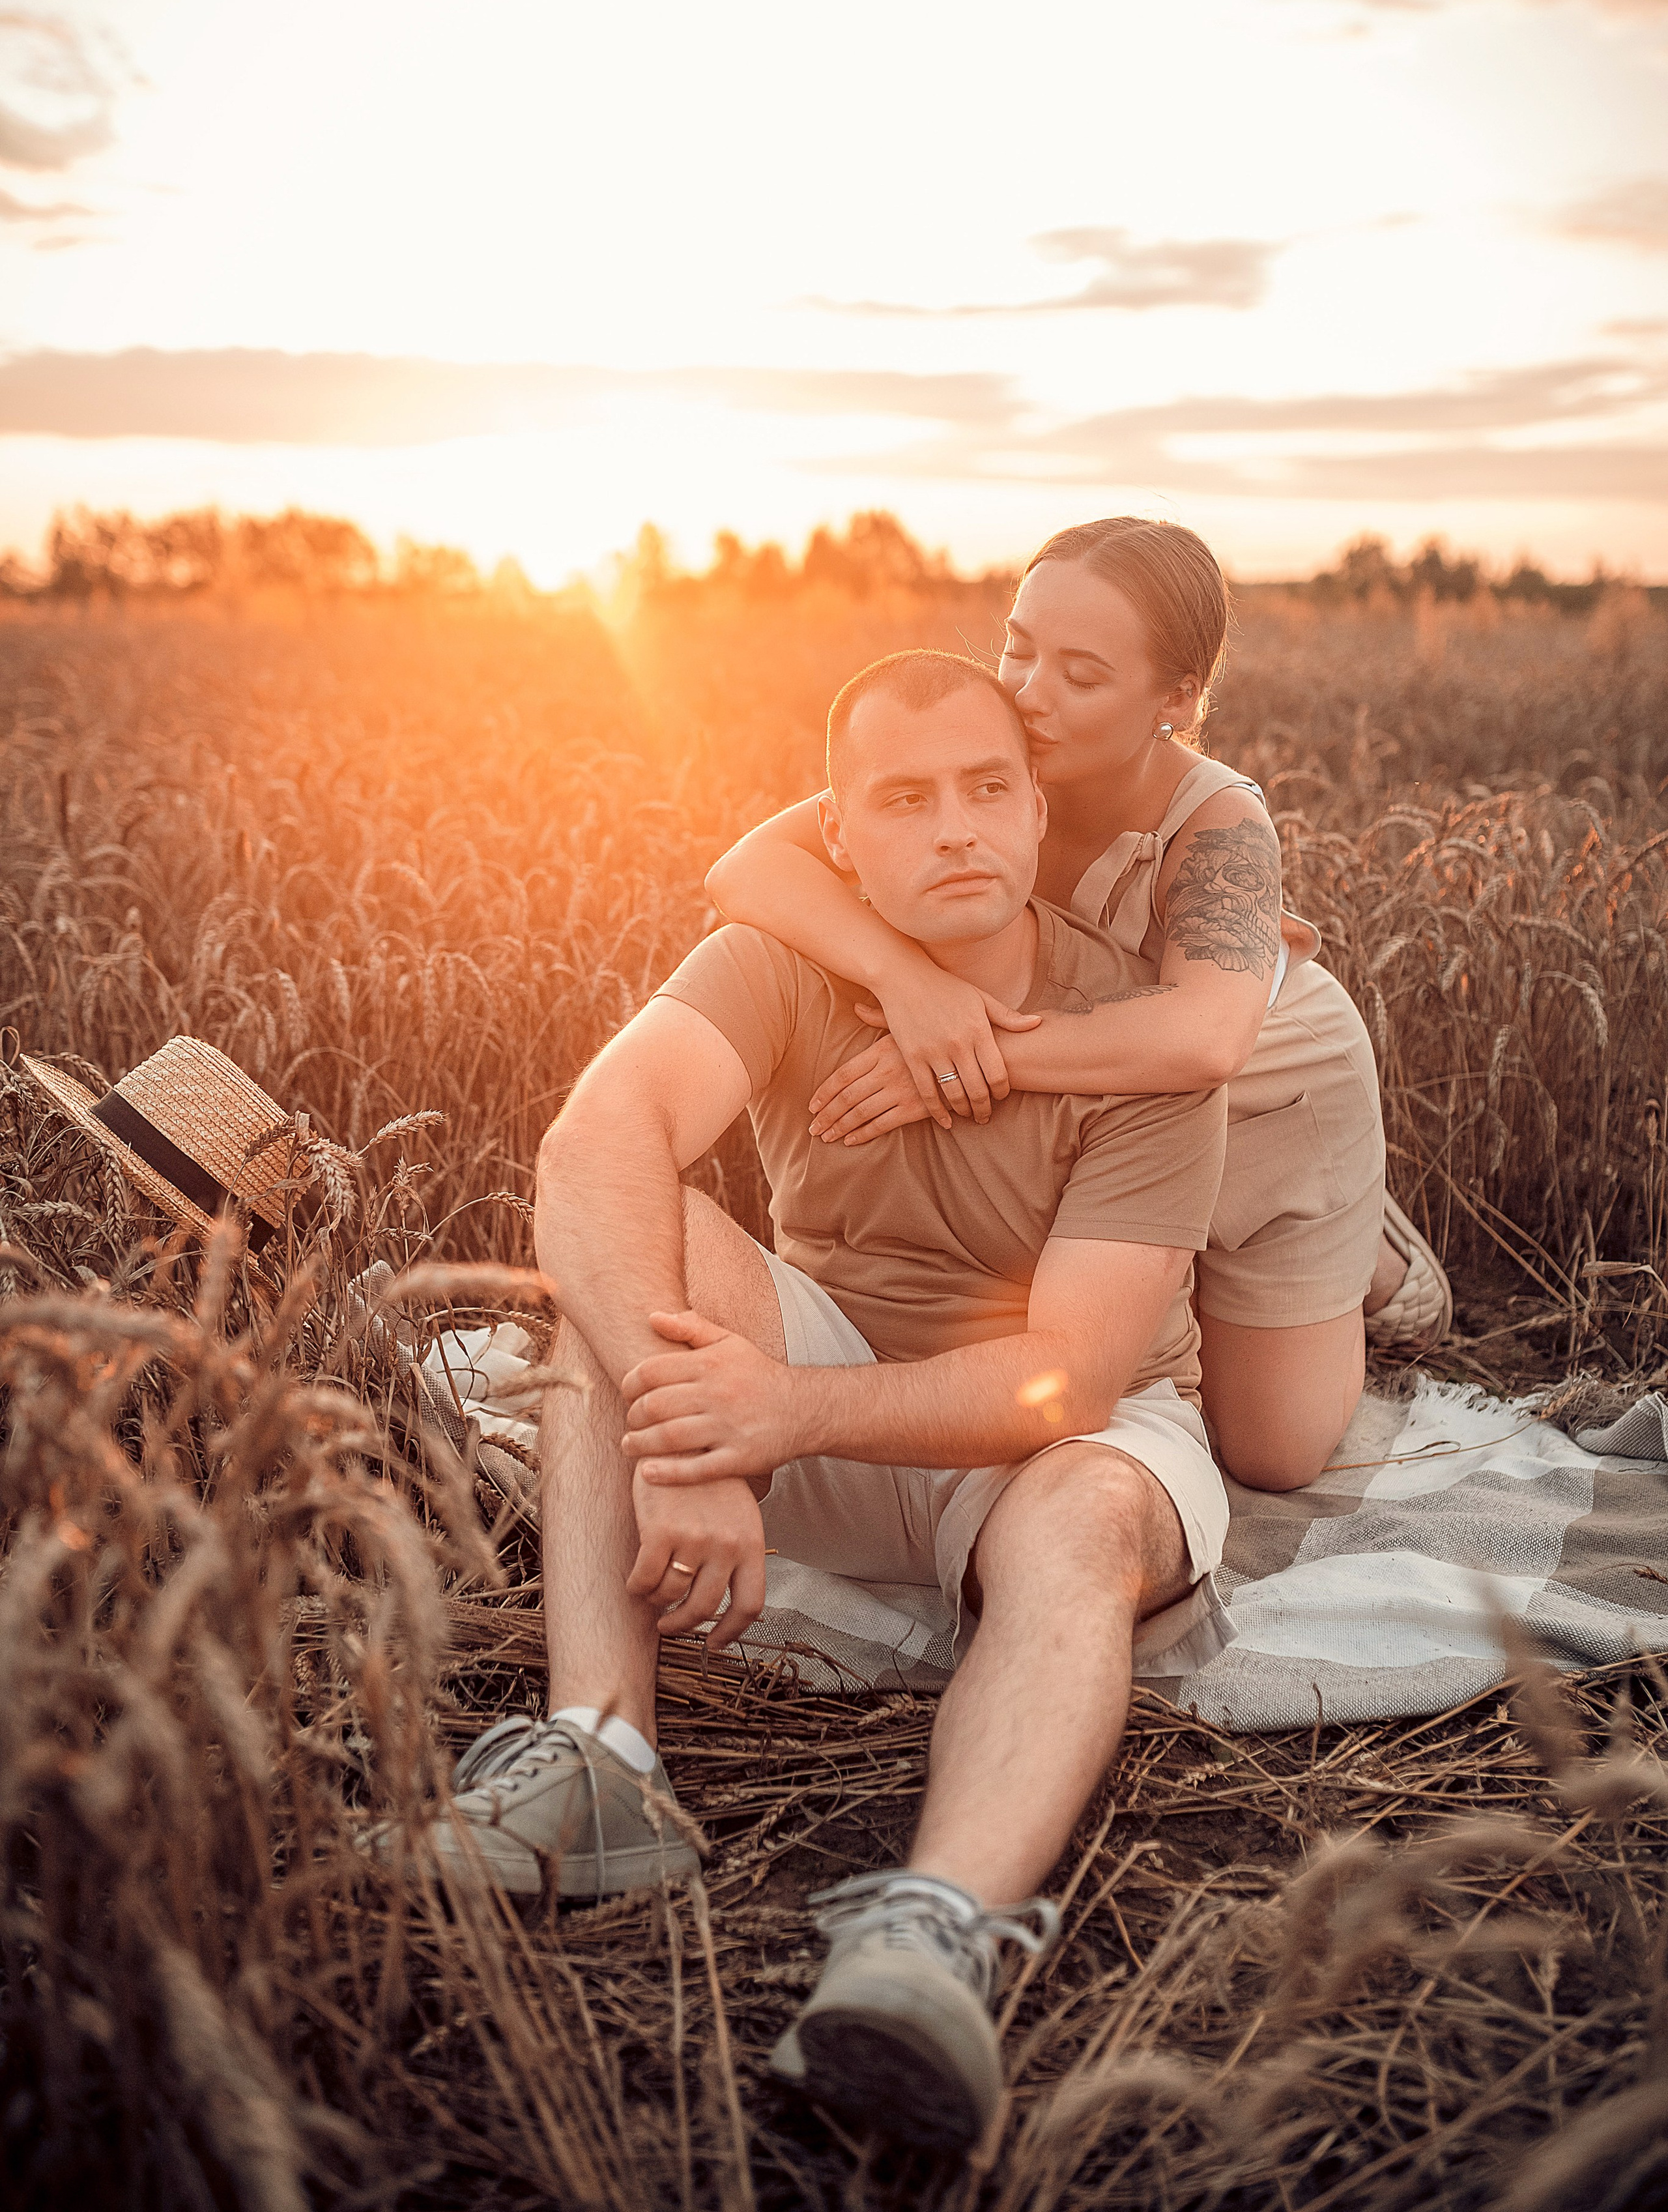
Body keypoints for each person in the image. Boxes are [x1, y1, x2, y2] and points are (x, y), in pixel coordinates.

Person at [435, 649, 1232, 2153]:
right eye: (903, 800)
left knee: (1083, 1510)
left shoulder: (1132, 1038)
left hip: (1057, 1435)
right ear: (837, 838)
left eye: (988, 789)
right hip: (819, 1366)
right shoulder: (779, 963)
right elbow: (594, 1140)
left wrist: (773, 1422)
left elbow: (1062, 1377)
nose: (953, 830)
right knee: (633, 1242)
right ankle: (602, 1759)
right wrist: (687, 1427)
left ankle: (929, 1935)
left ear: (1032, 808)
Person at [706, 517, 1450, 1496]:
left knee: (1272, 1453)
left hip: (1270, 1094)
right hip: (1105, 1106)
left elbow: (1208, 1035)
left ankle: (1374, 1256)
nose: (1029, 693)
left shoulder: (1219, 819)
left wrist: (963, 1053)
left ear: (1174, 699)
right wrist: (914, 989)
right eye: (1019, 646)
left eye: (1082, 675)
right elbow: (747, 869)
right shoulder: (983, 755)